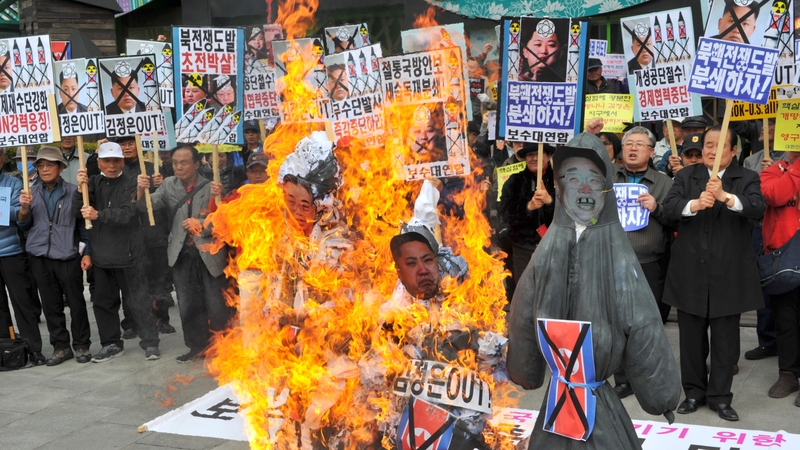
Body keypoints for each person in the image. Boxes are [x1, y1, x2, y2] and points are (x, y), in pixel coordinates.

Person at [507, 132, 681, 449]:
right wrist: (525, 369)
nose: (583, 189)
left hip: (593, 395)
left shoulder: (615, 250)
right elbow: (522, 310)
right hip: (561, 393)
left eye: (593, 178)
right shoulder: (549, 247)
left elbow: (643, 323)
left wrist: (659, 394)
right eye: (571, 178)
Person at [663, 126, 765, 421]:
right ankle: (693, 393)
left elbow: (758, 207)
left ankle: (721, 397)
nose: (711, 150)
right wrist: (694, 204)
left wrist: (726, 197)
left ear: (734, 151)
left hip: (729, 272)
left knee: (725, 340)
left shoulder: (746, 177)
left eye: (720, 145)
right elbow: (669, 209)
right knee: (691, 339)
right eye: (708, 144)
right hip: (690, 271)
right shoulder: (686, 176)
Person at [136, 143, 231, 363]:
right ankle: (196, 347)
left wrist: (201, 223)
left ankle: (222, 348)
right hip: (181, 253)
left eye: (184, 162)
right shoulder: (169, 184)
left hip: (209, 253)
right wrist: (141, 190)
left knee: (216, 304)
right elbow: (148, 207)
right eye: (175, 162)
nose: (179, 167)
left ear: (197, 164)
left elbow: (225, 220)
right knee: (188, 304)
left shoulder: (213, 185)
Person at [74, 142, 160, 362]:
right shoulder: (92, 182)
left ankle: (150, 342)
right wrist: (79, 189)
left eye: (116, 161)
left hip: (131, 255)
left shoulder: (134, 180)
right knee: (103, 303)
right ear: (100, 162)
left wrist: (99, 215)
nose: (111, 165)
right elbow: (77, 211)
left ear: (122, 161)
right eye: (106, 161)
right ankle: (111, 343)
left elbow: (128, 212)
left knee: (139, 300)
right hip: (102, 256)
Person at [610, 127, 677, 398]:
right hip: (613, 261)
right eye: (629, 144)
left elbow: (676, 220)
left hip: (649, 262)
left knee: (648, 323)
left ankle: (648, 376)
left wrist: (657, 208)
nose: (633, 148)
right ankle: (623, 379)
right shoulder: (607, 178)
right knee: (616, 323)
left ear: (652, 151)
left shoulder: (664, 183)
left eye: (640, 144)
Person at [18, 146, 92, 366]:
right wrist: (23, 209)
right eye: (40, 164)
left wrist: (86, 252)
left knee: (77, 303)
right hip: (39, 255)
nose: (45, 168)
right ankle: (60, 347)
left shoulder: (75, 191)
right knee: (50, 305)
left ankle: (81, 345)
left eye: (50, 164)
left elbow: (84, 226)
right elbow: (24, 225)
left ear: (60, 167)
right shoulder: (29, 191)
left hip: (68, 255)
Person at [110, 135, 174, 338]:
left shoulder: (153, 167)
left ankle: (162, 318)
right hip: (128, 234)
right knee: (131, 283)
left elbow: (166, 196)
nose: (127, 147)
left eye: (130, 143)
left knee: (159, 277)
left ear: (138, 145)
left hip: (154, 231)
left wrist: (160, 182)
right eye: (122, 144)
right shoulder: (114, 170)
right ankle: (132, 322)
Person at [760, 149, 800, 407]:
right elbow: (775, 195)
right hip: (783, 259)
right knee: (785, 320)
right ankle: (787, 374)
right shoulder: (771, 170)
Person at [0, 149, 45, 366]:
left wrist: (12, 209)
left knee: (22, 303)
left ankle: (34, 349)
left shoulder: (13, 183)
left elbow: (21, 217)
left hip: (11, 253)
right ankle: (6, 350)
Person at [498, 143, 555, 285]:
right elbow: (505, 213)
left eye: (539, 153)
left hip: (553, 248)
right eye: (530, 154)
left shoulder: (560, 181)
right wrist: (528, 207)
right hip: (522, 248)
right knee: (523, 294)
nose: (535, 158)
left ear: (548, 156)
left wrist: (550, 202)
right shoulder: (514, 181)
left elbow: (571, 213)